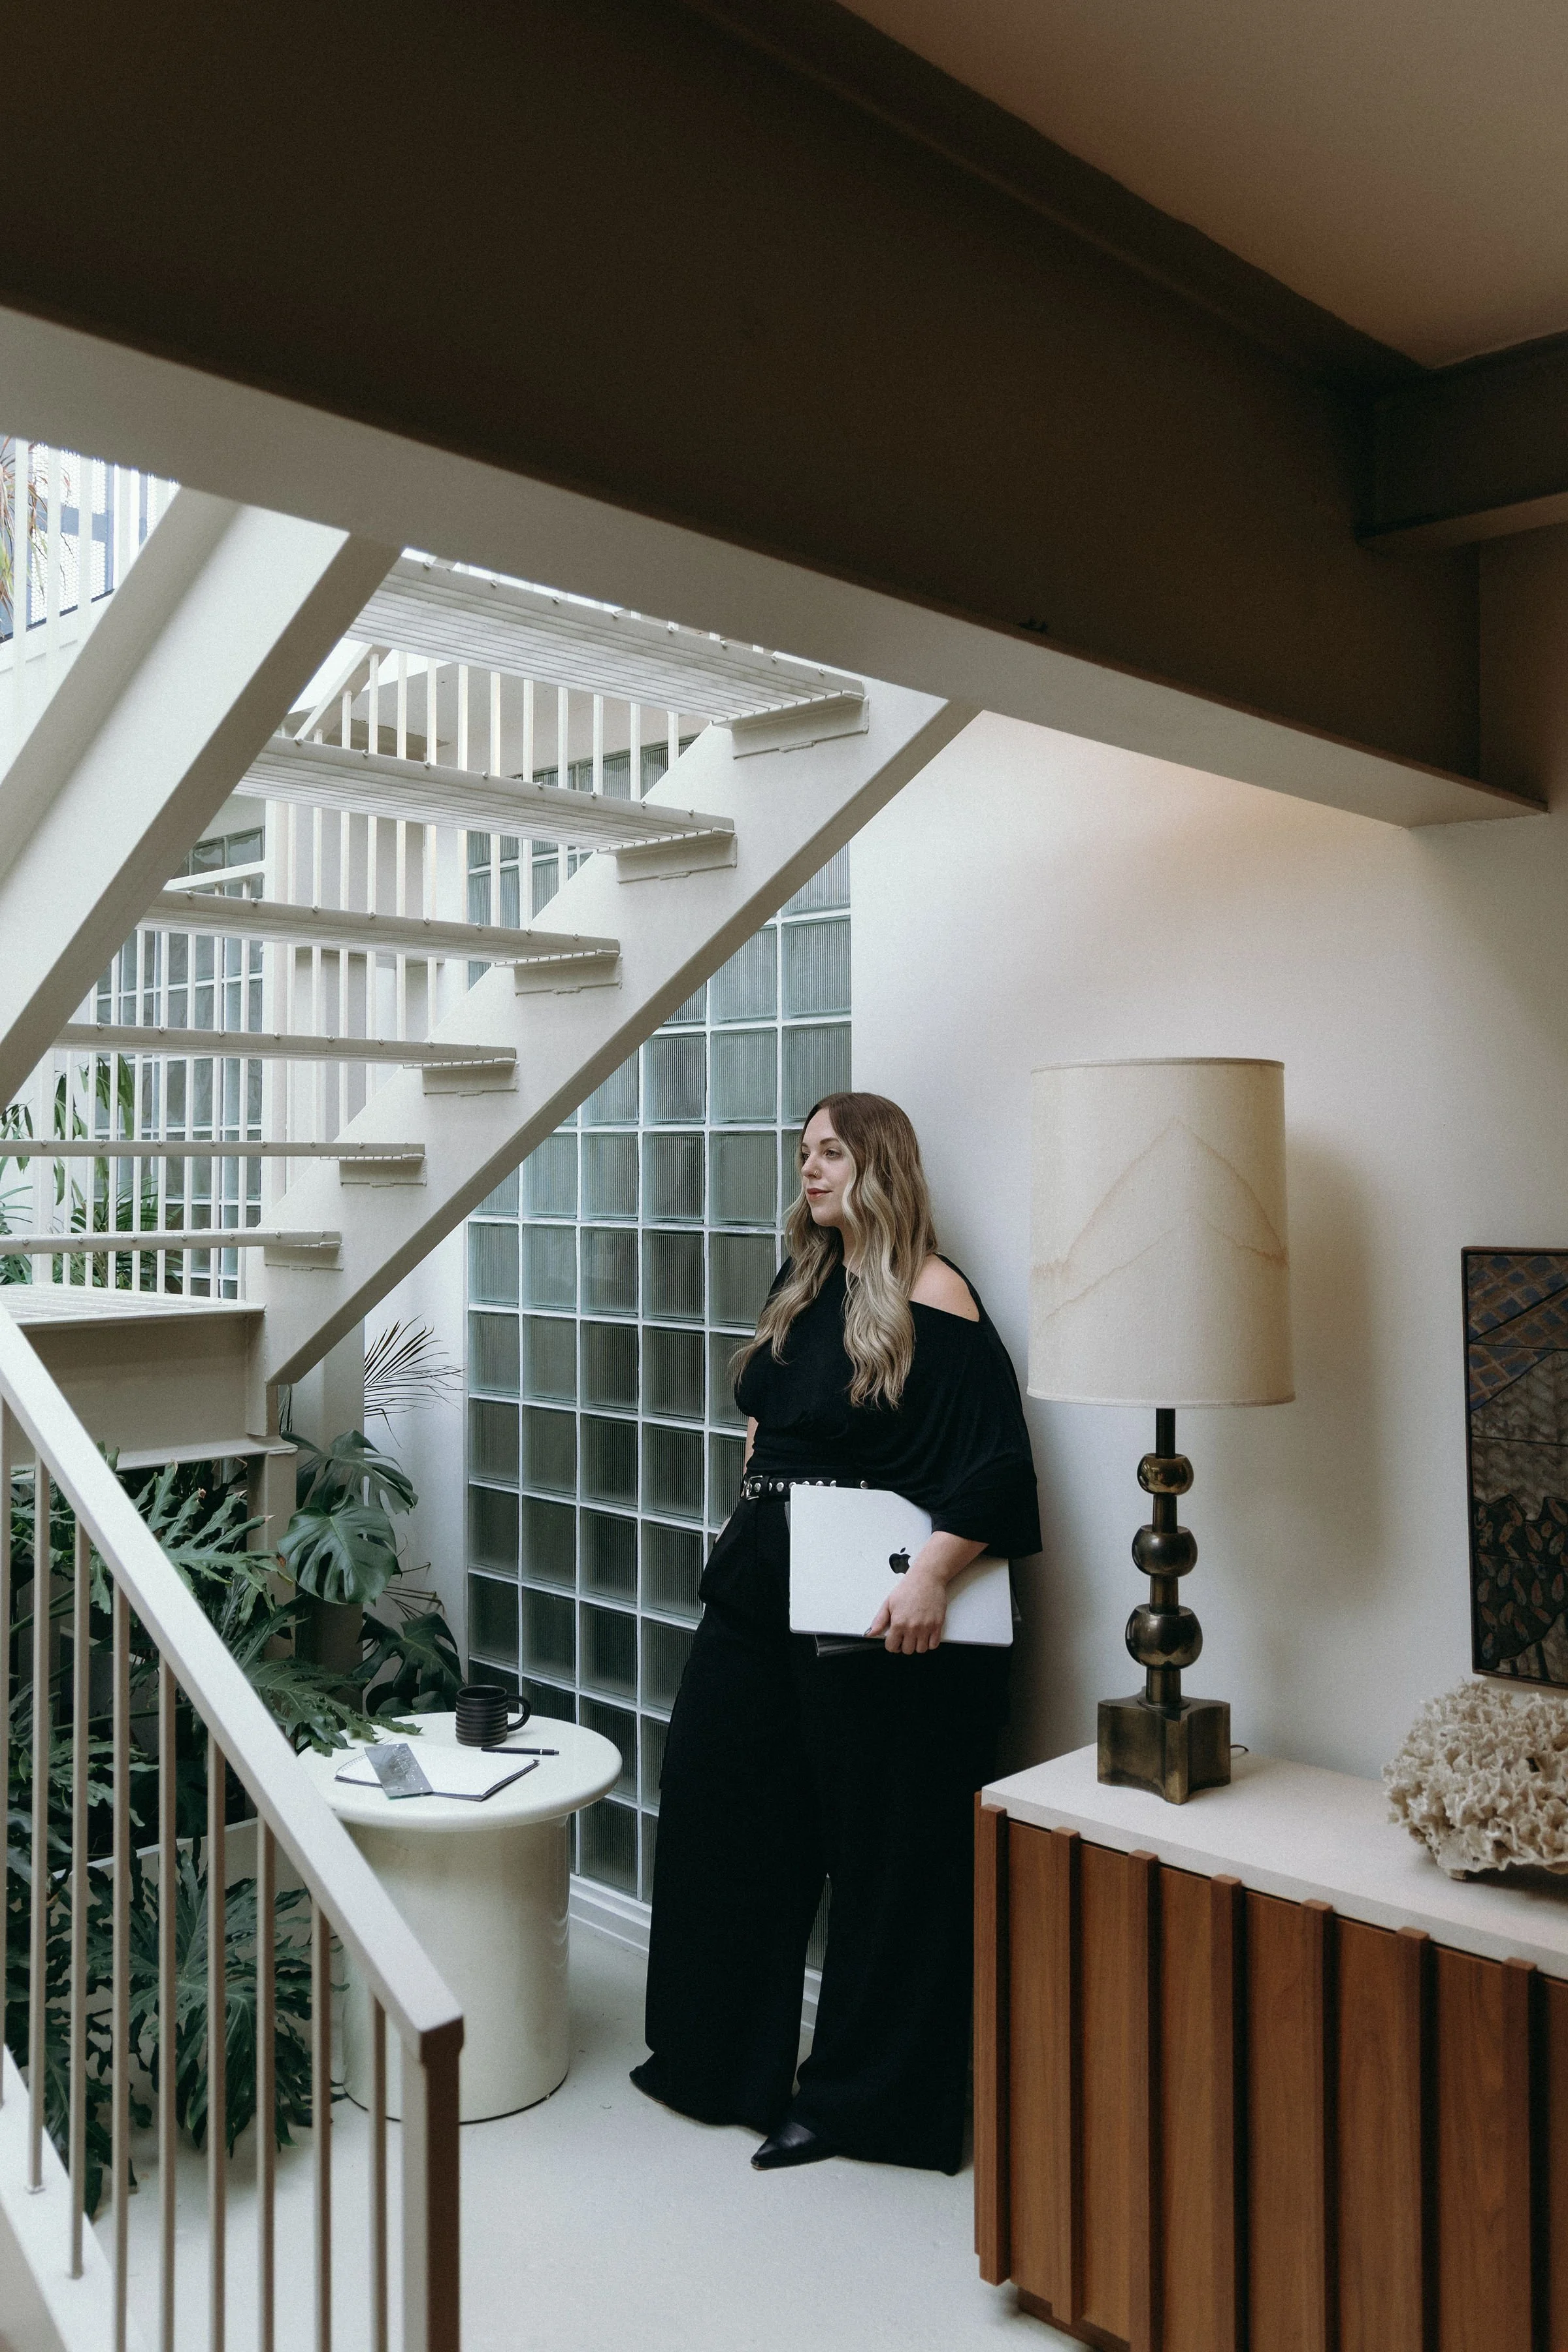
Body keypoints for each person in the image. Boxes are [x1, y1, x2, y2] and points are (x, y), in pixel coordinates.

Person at [631, 1091, 1039, 2175]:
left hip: (875, 1616)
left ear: (880, 1165)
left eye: (830, 1154)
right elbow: (775, 1411)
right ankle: (716, 2061)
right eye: (804, 1153)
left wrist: (933, 1577)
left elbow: (995, 1459)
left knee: (887, 1859)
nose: (809, 1170)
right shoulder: (803, 1283)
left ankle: (866, 2107)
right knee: (722, 1805)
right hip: (764, 1590)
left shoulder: (932, 1291)